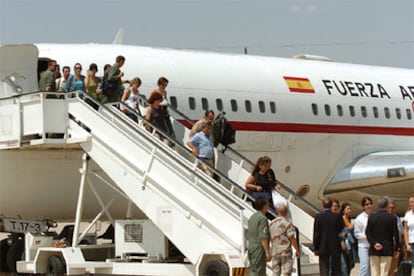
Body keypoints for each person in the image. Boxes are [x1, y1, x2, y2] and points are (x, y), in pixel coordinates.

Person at [366, 196, 399, 276]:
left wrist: (374, 243)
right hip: (387, 248)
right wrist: (397, 248)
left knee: (374, 273)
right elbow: (396, 234)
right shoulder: (392, 217)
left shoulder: (371, 216)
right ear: (387, 205)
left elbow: (367, 233)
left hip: (374, 249)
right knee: (384, 272)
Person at [313, 197, 344, 276]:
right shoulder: (337, 216)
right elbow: (340, 228)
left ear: (323, 205)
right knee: (336, 268)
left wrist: (315, 247)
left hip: (322, 245)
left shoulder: (318, 216)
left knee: (324, 268)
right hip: (335, 245)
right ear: (331, 205)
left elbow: (317, 233)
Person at [269, 204, 300, 276]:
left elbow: (270, 237)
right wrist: (297, 250)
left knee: (275, 273)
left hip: (275, 252)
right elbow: (292, 238)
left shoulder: (271, 224)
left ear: (277, 212)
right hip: (285, 252)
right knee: (286, 272)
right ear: (286, 213)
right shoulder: (287, 224)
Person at [247, 196, 271, 276]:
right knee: (259, 272)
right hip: (259, 248)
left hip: (251, 246)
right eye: (267, 205)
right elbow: (263, 237)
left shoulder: (252, 217)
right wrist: (267, 252)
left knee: (254, 269)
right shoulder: (262, 219)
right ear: (264, 206)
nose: (268, 206)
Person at [354, 196, 373, 276]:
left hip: (373, 245)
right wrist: (368, 236)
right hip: (363, 246)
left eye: (370, 204)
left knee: (372, 269)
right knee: (365, 267)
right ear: (363, 206)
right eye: (366, 204)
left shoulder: (374, 216)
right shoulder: (359, 218)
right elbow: (357, 234)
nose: (369, 206)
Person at [387, 199, 404, 276]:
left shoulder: (398, 220)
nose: (391, 209)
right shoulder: (385, 219)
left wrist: (402, 248)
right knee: (387, 268)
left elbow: (401, 234)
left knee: (395, 268)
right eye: (389, 207)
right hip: (387, 246)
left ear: (395, 209)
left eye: (392, 208)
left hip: (396, 247)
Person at [340, 202, 355, 276]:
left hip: (350, 244)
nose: (350, 210)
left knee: (351, 263)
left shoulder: (349, 219)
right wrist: (349, 228)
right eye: (348, 209)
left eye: (350, 209)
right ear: (343, 211)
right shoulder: (342, 219)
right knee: (345, 265)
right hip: (344, 244)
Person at [403, 194, 414, 271]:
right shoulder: (408, 214)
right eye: (410, 202)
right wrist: (407, 244)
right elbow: (406, 230)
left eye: (412, 202)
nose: (411, 204)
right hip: (412, 242)